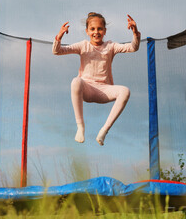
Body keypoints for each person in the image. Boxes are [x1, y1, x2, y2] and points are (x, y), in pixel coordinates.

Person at [52, 12, 140, 146]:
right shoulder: (83, 46)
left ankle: (104, 131)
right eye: (92, 29)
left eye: (99, 29)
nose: (96, 32)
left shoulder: (111, 46)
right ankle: (80, 126)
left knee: (125, 91)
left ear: (105, 31)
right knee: (76, 81)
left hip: (104, 91)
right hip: (86, 89)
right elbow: (57, 51)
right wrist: (59, 36)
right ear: (87, 31)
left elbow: (133, 47)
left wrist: (135, 33)